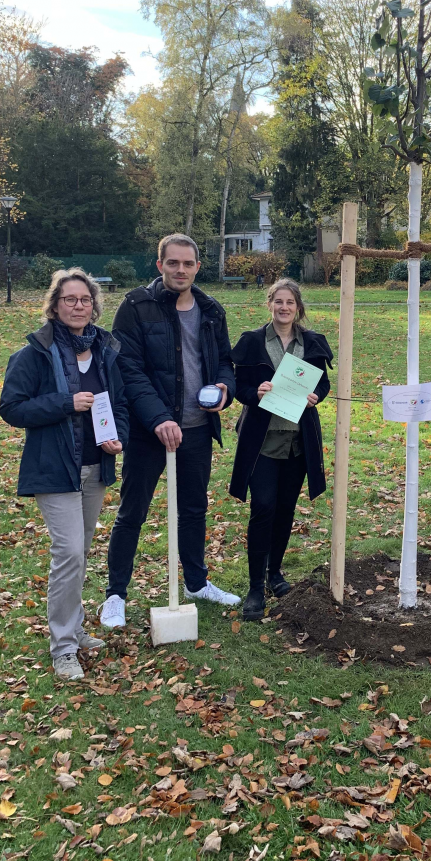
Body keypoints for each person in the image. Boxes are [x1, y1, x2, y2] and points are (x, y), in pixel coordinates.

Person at [100, 234, 238, 628]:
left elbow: (225, 361)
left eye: (188, 263)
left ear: (198, 266)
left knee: (193, 510)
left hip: (196, 431)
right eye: (173, 263)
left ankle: (197, 583)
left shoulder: (211, 309)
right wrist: (159, 418)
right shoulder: (136, 306)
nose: (181, 270)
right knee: (133, 512)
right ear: (159, 265)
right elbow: (128, 370)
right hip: (150, 432)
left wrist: (225, 387)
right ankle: (115, 595)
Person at [0, 269, 129, 680]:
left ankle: (73, 628)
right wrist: (64, 403)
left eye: (84, 299)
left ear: (94, 305)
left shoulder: (106, 350)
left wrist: (118, 438)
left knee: (80, 552)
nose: (78, 306)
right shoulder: (35, 352)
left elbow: (119, 404)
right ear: (55, 305)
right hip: (54, 469)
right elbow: (12, 408)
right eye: (69, 299)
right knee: (69, 553)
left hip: (95, 467)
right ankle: (63, 647)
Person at [229, 278, 333, 621]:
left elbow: (323, 382)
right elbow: (239, 387)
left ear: (298, 307)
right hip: (262, 440)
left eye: (290, 302)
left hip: (297, 442)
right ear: (269, 304)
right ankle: (255, 587)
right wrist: (253, 392)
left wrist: (318, 395)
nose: (284, 307)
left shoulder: (313, 342)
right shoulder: (252, 342)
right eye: (278, 302)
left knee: (286, 508)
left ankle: (276, 574)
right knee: (263, 507)